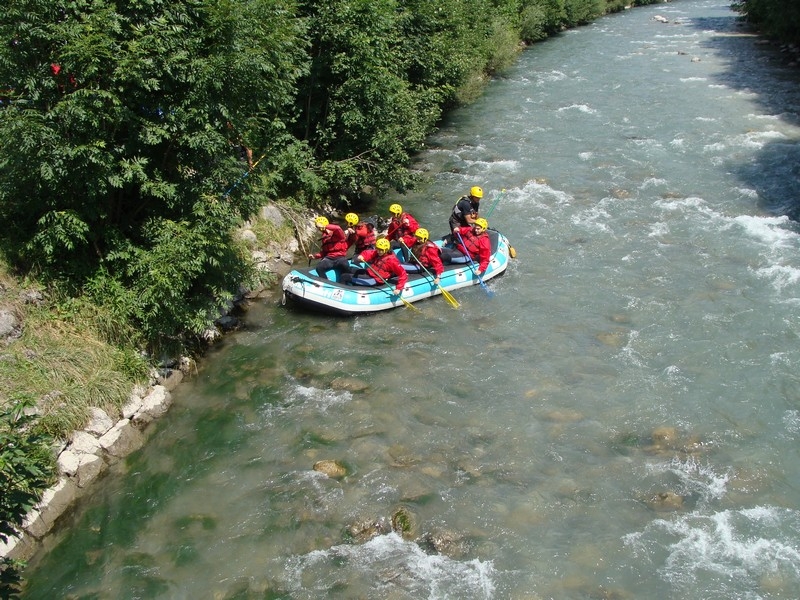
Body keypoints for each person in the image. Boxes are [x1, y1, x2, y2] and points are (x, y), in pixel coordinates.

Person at [341, 238, 407, 294]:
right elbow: (368, 253)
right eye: (377, 248)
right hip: (370, 272)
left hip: (375, 279)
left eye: (381, 250)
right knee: (348, 269)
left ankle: (343, 292)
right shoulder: (378, 252)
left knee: (344, 276)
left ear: (386, 250)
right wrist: (362, 256)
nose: (378, 251)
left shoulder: (392, 261)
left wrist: (399, 288)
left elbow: (403, 274)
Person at [308, 216, 350, 280]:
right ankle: (325, 281)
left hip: (340, 257)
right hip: (329, 259)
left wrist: (325, 226)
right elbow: (324, 252)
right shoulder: (324, 237)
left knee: (345, 265)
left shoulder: (338, 233)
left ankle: (345, 282)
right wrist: (315, 256)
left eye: (319, 227)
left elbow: (338, 228)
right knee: (319, 268)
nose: (319, 229)